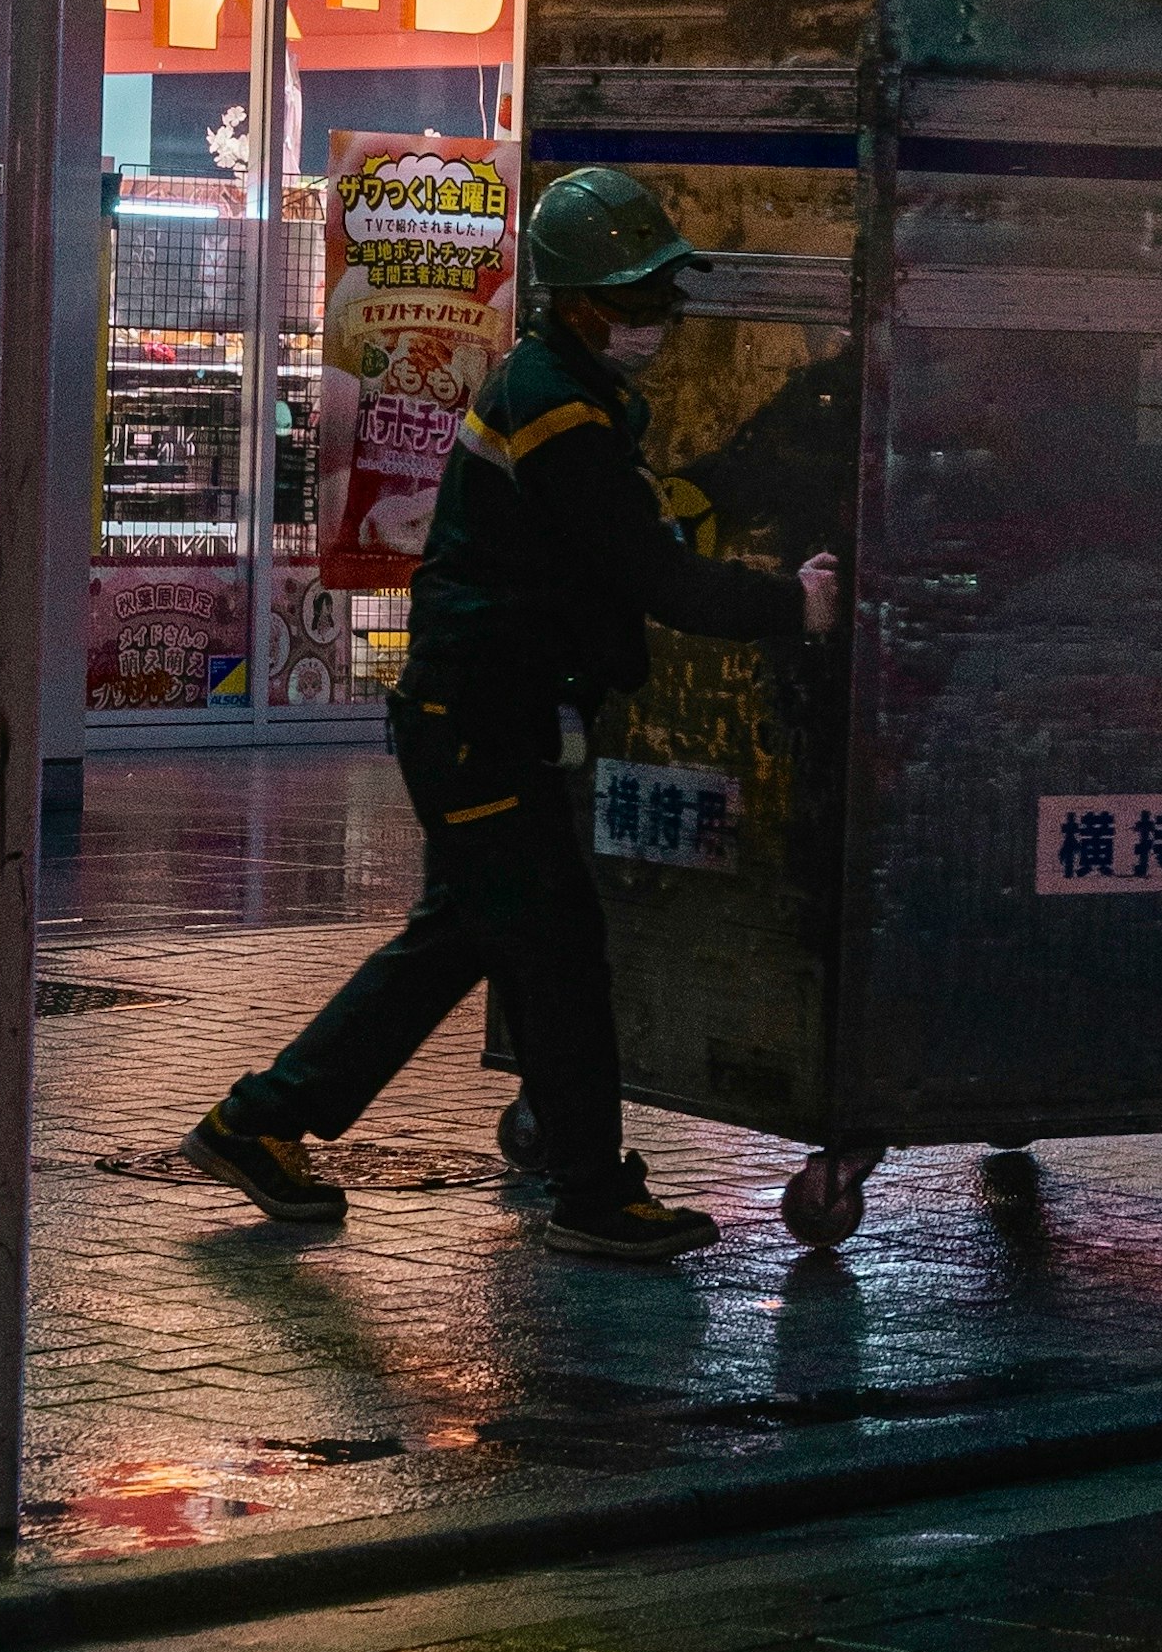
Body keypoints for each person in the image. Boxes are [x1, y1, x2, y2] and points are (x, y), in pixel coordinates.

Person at [176, 167, 839, 1261]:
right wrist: (795, 608)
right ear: (577, 303)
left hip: (482, 718)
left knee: (468, 940)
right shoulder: (557, 412)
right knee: (555, 948)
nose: (657, 324)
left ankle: (262, 1124)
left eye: (664, 297)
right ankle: (583, 1192)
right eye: (636, 304)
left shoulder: (563, 391)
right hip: (483, 724)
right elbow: (650, 572)